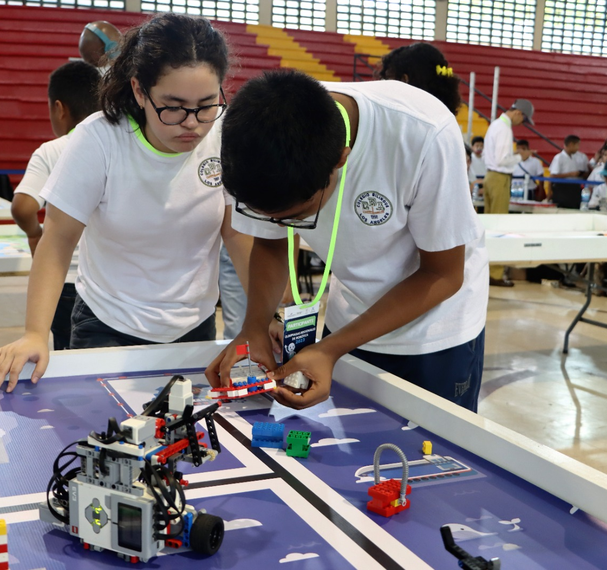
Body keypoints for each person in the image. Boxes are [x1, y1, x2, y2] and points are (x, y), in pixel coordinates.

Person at [0, 14, 253, 392]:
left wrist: (263, 315)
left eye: (207, 105)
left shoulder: (223, 136)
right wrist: (34, 333)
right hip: (107, 325)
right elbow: (58, 241)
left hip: (195, 325)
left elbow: (238, 234)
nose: (192, 123)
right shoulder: (100, 139)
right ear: (140, 91)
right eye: (173, 107)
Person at [208, 70, 488, 413]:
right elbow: (271, 243)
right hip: (349, 317)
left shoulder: (423, 133)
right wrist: (253, 327)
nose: (282, 226)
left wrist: (329, 349)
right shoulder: (253, 137)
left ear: (341, 160)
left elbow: (443, 275)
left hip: (432, 333)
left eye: (298, 216)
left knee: (430, 454)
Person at [10, 60, 102, 350]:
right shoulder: (116, 145)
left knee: (66, 353)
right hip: (105, 284)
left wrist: (35, 234)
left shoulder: (53, 150)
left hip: (64, 279)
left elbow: (23, 206)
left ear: (59, 108)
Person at [483, 98, 534, 287]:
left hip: (490, 177)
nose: (522, 124)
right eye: (524, 120)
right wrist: (522, 156)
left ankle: (485, 270)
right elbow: (503, 160)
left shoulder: (495, 124)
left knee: (488, 227)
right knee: (498, 227)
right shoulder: (504, 129)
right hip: (499, 178)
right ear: (519, 113)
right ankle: (495, 273)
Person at [377, 42, 462, 116]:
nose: (385, 85)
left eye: (388, 79)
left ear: (404, 80)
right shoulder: (444, 116)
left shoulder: (407, 120)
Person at [549, 135, 589, 209]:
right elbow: (553, 176)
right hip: (562, 190)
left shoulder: (578, 157)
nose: (578, 148)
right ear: (571, 144)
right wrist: (570, 174)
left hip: (575, 189)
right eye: (577, 145)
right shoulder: (559, 157)